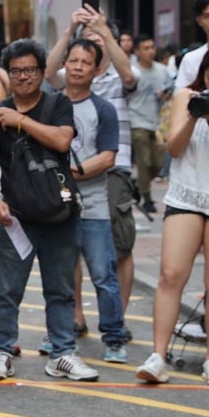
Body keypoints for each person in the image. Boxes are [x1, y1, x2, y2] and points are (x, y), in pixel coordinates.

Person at [0, 38, 99, 383]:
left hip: (59, 214)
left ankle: (62, 353)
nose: (23, 77)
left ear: (41, 71)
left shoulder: (57, 103)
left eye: (29, 70)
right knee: (6, 290)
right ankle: (1, 350)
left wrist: (19, 120)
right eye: (15, 71)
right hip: (12, 215)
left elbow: (62, 140)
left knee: (60, 289)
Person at [136, 43, 209, 386]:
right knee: (170, 275)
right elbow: (174, 147)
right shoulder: (186, 96)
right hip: (186, 195)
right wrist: (197, 114)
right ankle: (157, 355)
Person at [46, 4, 139, 338]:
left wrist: (103, 29)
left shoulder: (118, 78)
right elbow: (48, 70)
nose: (81, 62)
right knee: (70, 252)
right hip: (69, 175)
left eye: (94, 46)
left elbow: (129, 75)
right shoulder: (67, 79)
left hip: (113, 170)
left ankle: (118, 319)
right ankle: (76, 315)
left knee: (118, 250)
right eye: (79, 53)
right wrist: (71, 31)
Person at [57, 38, 129, 362]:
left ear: (96, 70)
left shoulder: (104, 108)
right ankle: (60, 334)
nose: (77, 67)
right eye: (73, 60)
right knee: (60, 274)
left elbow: (108, 157)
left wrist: (74, 171)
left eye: (85, 62)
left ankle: (114, 338)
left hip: (95, 204)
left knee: (104, 275)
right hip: (57, 205)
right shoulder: (52, 104)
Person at [128, 34, 172, 213]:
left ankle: (139, 184)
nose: (150, 51)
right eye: (145, 48)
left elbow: (171, 92)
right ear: (137, 51)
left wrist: (165, 95)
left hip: (157, 123)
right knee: (144, 161)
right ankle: (147, 198)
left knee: (158, 164)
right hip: (137, 120)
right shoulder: (132, 71)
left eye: (152, 47)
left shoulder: (162, 70)